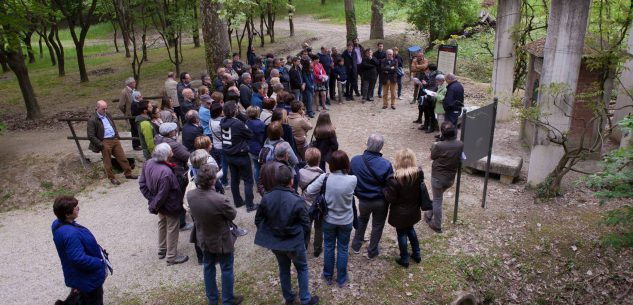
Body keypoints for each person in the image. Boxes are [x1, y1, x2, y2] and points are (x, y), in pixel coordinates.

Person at [254, 165, 320, 305]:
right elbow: (306, 223)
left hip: (277, 244)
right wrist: (302, 240)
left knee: (284, 268)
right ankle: (305, 300)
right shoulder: (297, 200)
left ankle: (289, 298)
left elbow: (258, 220)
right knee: (302, 268)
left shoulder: (266, 198)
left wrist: (271, 232)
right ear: (291, 181)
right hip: (294, 243)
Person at [187, 164, 244, 305]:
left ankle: (212, 298)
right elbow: (233, 214)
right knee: (226, 268)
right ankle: (228, 300)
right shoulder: (220, 199)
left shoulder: (190, 195)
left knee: (208, 266)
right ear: (213, 180)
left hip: (203, 237)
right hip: (221, 239)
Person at [305, 150, 356, 288]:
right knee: (343, 248)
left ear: (331, 164)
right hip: (346, 220)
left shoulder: (325, 178)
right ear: (346, 163)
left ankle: (328, 276)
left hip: (329, 219)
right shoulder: (353, 179)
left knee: (328, 247)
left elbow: (308, 191)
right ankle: (341, 278)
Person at [52, 196, 109, 305]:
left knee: (80, 298)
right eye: (75, 207)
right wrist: (99, 262)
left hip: (77, 276)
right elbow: (78, 258)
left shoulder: (57, 224)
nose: (78, 208)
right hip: (87, 279)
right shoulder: (70, 234)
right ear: (67, 214)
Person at [139, 143, 189, 265]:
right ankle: (171, 256)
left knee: (162, 223)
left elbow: (142, 184)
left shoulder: (148, 162)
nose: (173, 152)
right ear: (167, 155)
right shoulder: (166, 172)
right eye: (171, 151)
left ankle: (162, 250)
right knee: (172, 228)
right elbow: (163, 194)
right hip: (169, 205)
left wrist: (152, 200)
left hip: (159, 204)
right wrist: (154, 203)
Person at [349, 134, 393, 259]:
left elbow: (351, 179)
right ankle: (372, 251)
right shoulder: (386, 164)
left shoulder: (355, 160)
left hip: (363, 200)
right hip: (380, 201)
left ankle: (356, 245)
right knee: (377, 225)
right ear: (381, 147)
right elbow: (390, 184)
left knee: (362, 220)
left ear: (367, 144)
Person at [383, 149, 424, 268]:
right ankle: (417, 254)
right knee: (411, 229)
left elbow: (391, 198)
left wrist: (384, 190)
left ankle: (404, 258)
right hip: (413, 210)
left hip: (399, 213)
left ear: (398, 161)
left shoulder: (394, 179)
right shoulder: (418, 174)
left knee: (401, 233)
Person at [154, 122, 193, 231]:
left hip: (169, 170)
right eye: (175, 130)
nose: (176, 132)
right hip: (177, 172)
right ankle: (182, 223)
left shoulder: (158, 139)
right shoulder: (174, 145)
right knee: (179, 196)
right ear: (170, 132)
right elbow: (187, 156)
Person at [87, 100, 137, 185]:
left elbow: (113, 126)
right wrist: (100, 144)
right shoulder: (92, 120)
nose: (105, 110)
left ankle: (128, 173)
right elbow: (91, 135)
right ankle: (112, 178)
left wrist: (117, 135)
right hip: (104, 141)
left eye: (106, 108)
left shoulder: (108, 115)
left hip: (114, 139)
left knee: (122, 158)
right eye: (103, 109)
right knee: (107, 161)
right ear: (97, 108)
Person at [221, 101, 258, 212]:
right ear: (234, 111)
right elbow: (250, 134)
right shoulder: (238, 124)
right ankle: (250, 205)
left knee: (234, 179)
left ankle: (238, 202)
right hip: (240, 155)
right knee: (248, 180)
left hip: (229, 154)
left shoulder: (223, 121)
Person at [426, 121, 463, 233]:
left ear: (442, 133)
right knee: (438, 196)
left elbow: (432, 157)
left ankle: (437, 225)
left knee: (437, 200)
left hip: (438, 177)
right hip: (450, 178)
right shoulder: (460, 144)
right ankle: (428, 214)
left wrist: (434, 146)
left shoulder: (439, 146)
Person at [298, 147, 325, 257]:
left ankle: (304, 247)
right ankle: (317, 249)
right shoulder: (322, 175)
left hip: (305, 204)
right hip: (318, 206)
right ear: (319, 160)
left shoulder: (300, 172)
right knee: (319, 228)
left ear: (306, 159)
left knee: (306, 226)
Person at [117, 77, 141, 150]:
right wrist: (127, 112)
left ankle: (139, 143)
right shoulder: (124, 92)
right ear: (130, 83)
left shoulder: (133, 90)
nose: (135, 83)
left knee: (137, 128)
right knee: (134, 129)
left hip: (136, 112)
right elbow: (120, 105)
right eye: (134, 82)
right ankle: (135, 145)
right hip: (131, 114)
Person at [209, 101, 229, 187]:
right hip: (222, 146)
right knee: (224, 165)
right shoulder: (220, 124)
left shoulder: (211, 120)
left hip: (216, 144)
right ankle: (223, 182)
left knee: (220, 164)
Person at [245, 106, 266, 184]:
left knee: (256, 166)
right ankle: (262, 183)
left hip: (250, 146)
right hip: (259, 148)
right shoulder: (260, 124)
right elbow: (262, 137)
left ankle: (258, 184)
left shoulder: (247, 122)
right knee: (261, 167)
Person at [419, 64, 441, 133]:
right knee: (426, 110)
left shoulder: (437, 76)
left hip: (431, 96)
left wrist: (426, 84)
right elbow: (430, 84)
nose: (427, 71)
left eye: (428, 69)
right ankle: (426, 125)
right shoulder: (432, 75)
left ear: (430, 69)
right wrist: (426, 84)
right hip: (428, 94)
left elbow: (434, 86)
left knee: (431, 112)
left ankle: (432, 127)